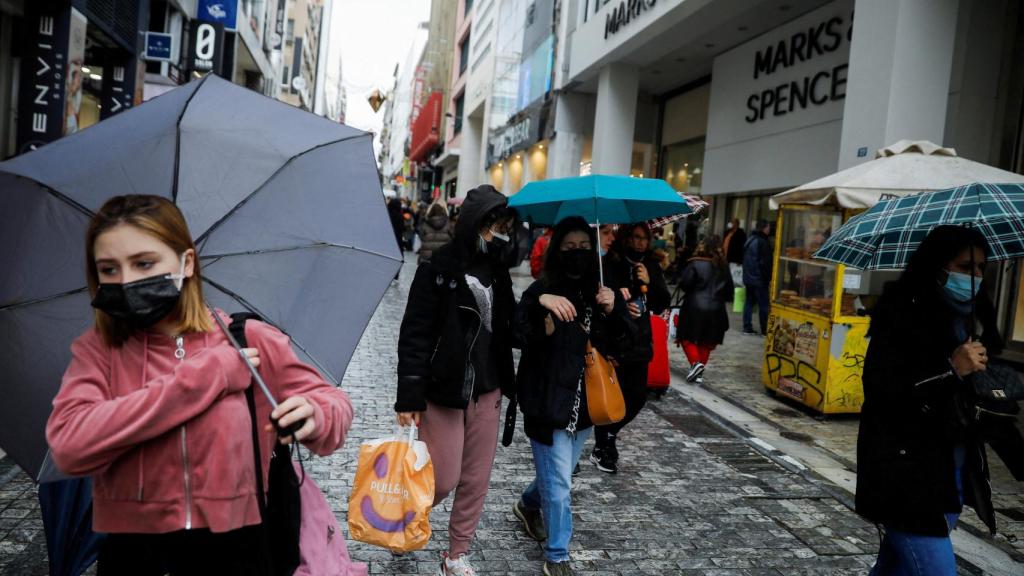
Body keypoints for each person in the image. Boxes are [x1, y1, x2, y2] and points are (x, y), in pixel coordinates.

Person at [45, 195, 355, 575]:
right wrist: (207, 376)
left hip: (238, 550)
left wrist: (316, 414)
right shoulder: (100, 352)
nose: (126, 281)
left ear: (186, 263)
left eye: (144, 263)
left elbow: (332, 400)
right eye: (109, 269)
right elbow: (69, 446)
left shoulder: (246, 339)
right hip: (135, 554)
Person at [856, 225, 1006, 576]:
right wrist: (951, 369)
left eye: (982, 268)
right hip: (906, 474)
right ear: (937, 266)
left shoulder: (966, 321)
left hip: (949, 474)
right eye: (966, 267)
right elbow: (884, 394)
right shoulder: (900, 315)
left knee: (893, 567)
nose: (976, 276)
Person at [395, 185, 519, 576]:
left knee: (475, 480)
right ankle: (406, 515)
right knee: (443, 478)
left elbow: (512, 331)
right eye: (492, 226)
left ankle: (455, 555)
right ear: (473, 224)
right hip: (444, 391)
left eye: (504, 227)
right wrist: (408, 397)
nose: (498, 234)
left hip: (489, 389)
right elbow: (414, 334)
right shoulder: (439, 268)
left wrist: (541, 305)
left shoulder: (500, 274)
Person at [511, 217, 627, 576]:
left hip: (587, 406)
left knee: (558, 475)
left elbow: (628, 345)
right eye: (568, 247)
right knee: (560, 481)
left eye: (583, 247)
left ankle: (528, 504)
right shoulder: (541, 289)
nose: (577, 253)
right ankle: (557, 556)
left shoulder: (601, 289)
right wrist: (540, 306)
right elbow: (517, 333)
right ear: (556, 250)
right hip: (548, 405)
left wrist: (615, 310)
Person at [591, 222, 670, 474]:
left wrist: (649, 281)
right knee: (612, 395)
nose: (640, 243)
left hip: (640, 342)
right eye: (635, 237)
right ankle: (603, 446)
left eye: (644, 238)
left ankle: (609, 436)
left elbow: (661, 304)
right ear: (626, 238)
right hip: (616, 342)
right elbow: (603, 299)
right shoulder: (610, 264)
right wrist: (622, 303)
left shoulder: (650, 265)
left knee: (636, 397)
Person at [675, 235, 733, 384]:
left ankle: (696, 364)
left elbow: (684, 284)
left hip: (694, 307)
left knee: (686, 337)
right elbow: (729, 292)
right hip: (717, 309)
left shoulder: (695, 264)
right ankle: (698, 372)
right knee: (707, 341)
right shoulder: (724, 267)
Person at [742, 219, 772, 335]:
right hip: (759, 279)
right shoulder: (763, 242)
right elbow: (765, 263)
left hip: (749, 277)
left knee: (749, 302)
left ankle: (747, 326)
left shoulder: (750, 239)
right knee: (763, 305)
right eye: (768, 227)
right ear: (764, 228)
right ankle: (764, 329)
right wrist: (768, 278)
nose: (769, 229)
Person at [417, 200, 454, 264]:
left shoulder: (426, 223)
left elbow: (421, 236)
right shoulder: (448, 223)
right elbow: (452, 237)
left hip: (427, 256)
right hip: (443, 255)